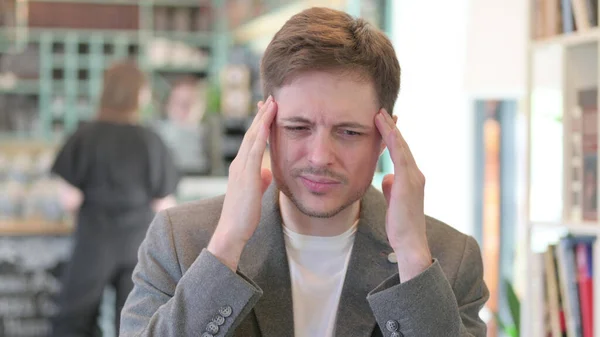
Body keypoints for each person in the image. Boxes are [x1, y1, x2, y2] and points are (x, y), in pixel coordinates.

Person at [120, 7, 489, 337]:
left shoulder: (447, 258)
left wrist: (411, 256)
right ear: (264, 125)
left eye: (348, 132)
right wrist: (227, 244)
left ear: (385, 137)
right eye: (298, 127)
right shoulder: (180, 240)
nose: (319, 156)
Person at [50, 60, 180, 336]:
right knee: (134, 320)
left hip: (93, 239)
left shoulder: (85, 136)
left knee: (75, 318)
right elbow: (164, 205)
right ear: (137, 95)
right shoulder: (150, 140)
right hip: (137, 242)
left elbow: (69, 199)